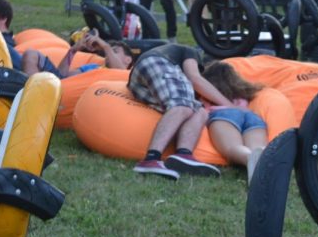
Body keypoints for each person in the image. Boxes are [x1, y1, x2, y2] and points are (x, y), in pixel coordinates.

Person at [127, 43, 234, 180]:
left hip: (139, 81)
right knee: (182, 106)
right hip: (155, 63)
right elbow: (195, 79)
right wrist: (229, 105)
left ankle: (184, 155)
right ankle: (151, 158)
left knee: (200, 112)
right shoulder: (191, 51)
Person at [200, 61, 267, 183]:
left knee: (233, 148)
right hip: (251, 116)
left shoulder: (205, 95)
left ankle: (249, 159)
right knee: (258, 148)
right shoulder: (242, 94)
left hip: (224, 115)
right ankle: (264, 161)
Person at [22, 30, 133, 78]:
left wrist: (106, 46)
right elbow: (62, 76)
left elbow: (120, 71)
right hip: (58, 88)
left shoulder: (127, 76)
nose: (108, 54)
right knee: (31, 54)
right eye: (109, 52)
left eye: (115, 51)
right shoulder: (93, 67)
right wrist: (73, 51)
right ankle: (31, 92)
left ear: (128, 60)